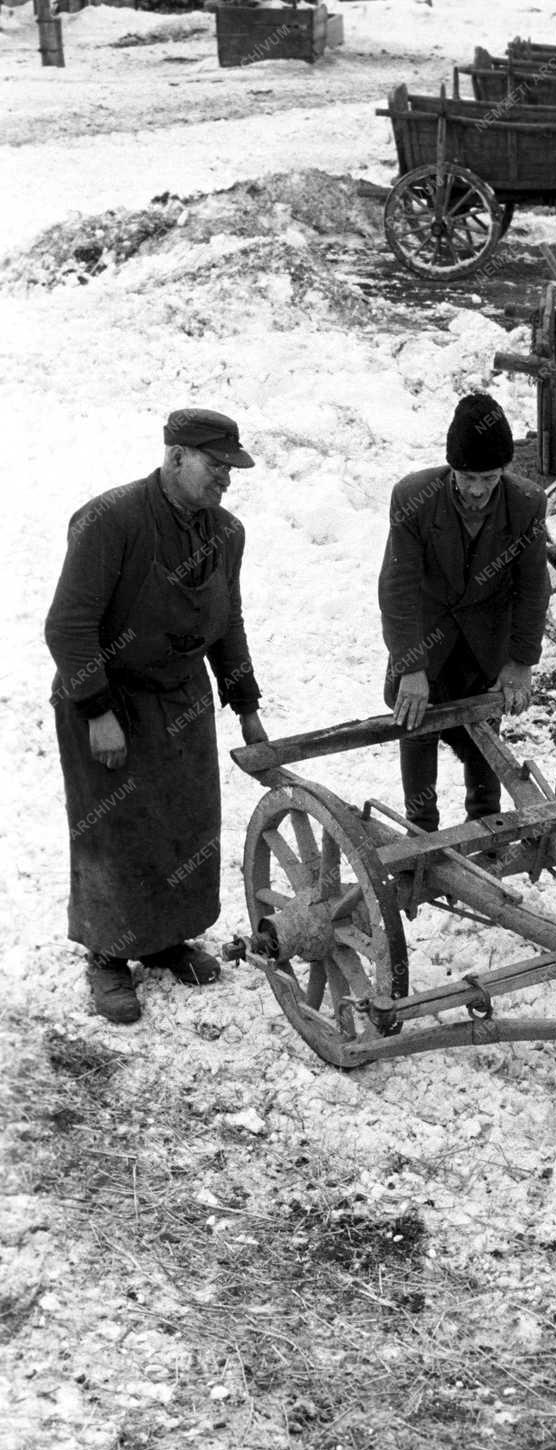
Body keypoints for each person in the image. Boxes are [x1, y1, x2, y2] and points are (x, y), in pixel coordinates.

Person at [45, 408, 267, 1025]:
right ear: (174, 458)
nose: (226, 478)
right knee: (114, 827)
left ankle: (167, 938)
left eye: (231, 468)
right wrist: (96, 711)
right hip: (109, 697)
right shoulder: (108, 521)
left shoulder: (227, 532)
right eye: (215, 465)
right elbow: (68, 626)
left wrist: (245, 704)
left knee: (182, 821)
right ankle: (108, 955)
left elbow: (229, 623)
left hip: (180, 694)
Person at [378, 393, 549, 832]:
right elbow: (397, 589)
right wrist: (410, 668)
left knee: (483, 736)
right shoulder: (413, 496)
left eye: (489, 478)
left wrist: (520, 662)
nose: (476, 490)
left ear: (505, 471)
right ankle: (421, 828)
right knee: (417, 727)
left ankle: (487, 828)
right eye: (467, 477)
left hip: (486, 639)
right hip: (426, 633)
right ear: (451, 468)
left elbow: (533, 588)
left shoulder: (526, 503)